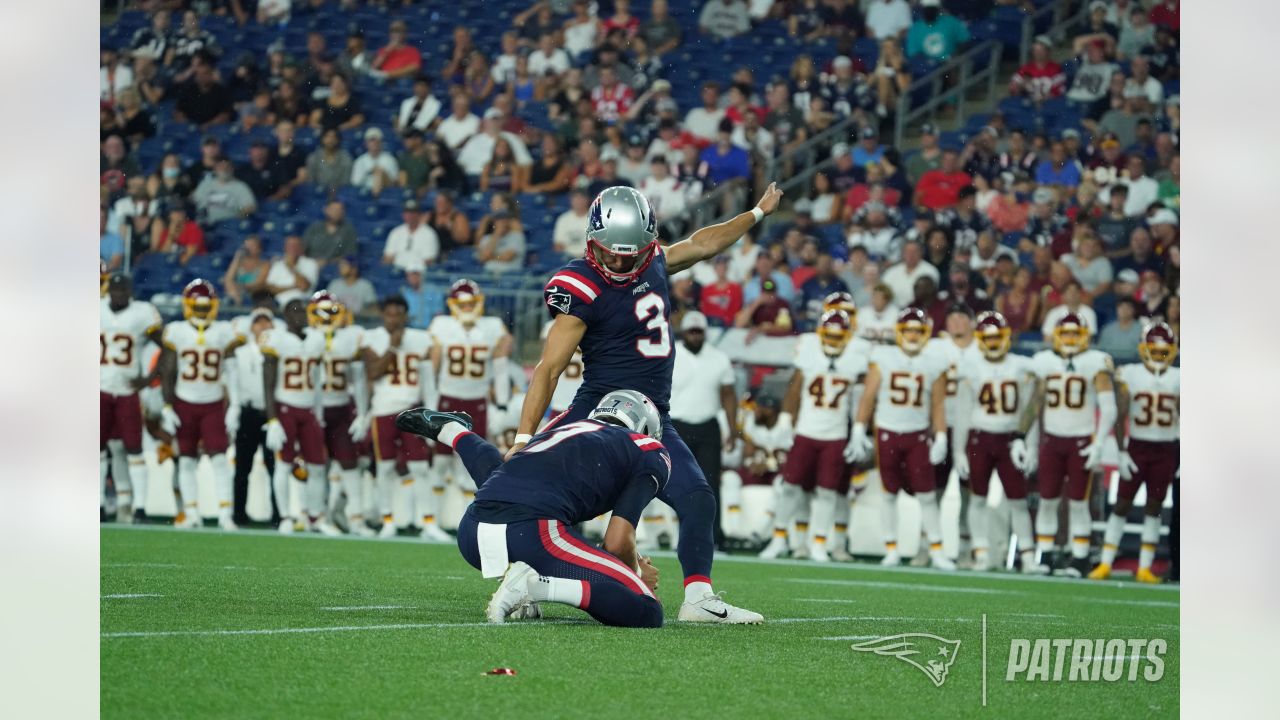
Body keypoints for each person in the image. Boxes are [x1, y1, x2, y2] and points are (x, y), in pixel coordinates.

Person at [507, 184, 783, 624]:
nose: (620, 262)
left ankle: (698, 598)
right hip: (598, 410)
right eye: (611, 253)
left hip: (653, 415)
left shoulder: (653, 259)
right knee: (545, 494)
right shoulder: (581, 287)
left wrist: (756, 213)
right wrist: (525, 436)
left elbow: (704, 243)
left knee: (697, 498)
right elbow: (548, 369)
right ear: (592, 241)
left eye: (630, 253)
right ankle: (525, 579)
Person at [398, 391, 666, 627]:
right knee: (647, 609)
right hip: (534, 534)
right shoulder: (650, 450)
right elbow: (617, 542)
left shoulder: (558, 432)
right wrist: (638, 574)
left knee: (507, 476)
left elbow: (503, 468)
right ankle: (535, 586)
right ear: (644, 428)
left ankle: (455, 432)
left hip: (471, 532)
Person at [846, 307, 953, 569]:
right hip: (888, 432)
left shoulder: (934, 362)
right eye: (908, 331)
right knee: (889, 493)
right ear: (899, 332)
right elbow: (868, 397)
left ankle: (936, 549)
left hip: (917, 434)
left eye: (918, 331)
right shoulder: (884, 356)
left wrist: (941, 436)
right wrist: (859, 428)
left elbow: (938, 405)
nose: (913, 336)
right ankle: (891, 548)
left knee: (927, 494)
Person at [761, 308, 869, 562]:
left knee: (827, 492)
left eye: (837, 336)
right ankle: (778, 539)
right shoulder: (809, 351)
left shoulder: (857, 358)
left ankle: (819, 542)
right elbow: (795, 388)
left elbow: (863, 398)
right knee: (790, 487)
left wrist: (858, 429)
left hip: (836, 434)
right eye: (828, 336)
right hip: (806, 431)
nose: (832, 341)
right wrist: (787, 420)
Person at [1025, 313, 1117, 576]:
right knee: (1047, 500)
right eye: (1065, 334)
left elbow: (1108, 408)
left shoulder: (1094, 362)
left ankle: (1079, 558)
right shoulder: (1044, 362)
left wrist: (1099, 442)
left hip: (1080, 439)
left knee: (1078, 501)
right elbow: (1034, 405)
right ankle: (1045, 554)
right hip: (1051, 440)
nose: (1069, 339)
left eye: (1074, 334)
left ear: (1085, 336)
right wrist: (1030, 444)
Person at [1090, 322, 1178, 583]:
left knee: (1155, 506)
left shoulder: (1179, 377)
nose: (1159, 355)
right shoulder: (1129, 373)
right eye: (1155, 350)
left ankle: (1144, 567)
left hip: (1166, 447)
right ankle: (1106, 563)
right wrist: (1122, 450)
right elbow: (1120, 412)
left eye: (1164, 351)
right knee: (1122, 504)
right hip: (1138, 445)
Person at [424, 280, 514, 534]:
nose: (467, 308)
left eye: (471, 303)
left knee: (473, 463)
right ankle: (431, 521)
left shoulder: (492, 327)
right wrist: (430, 405)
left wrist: (503, 402)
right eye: (462, 303)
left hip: (477, 402)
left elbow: (500, 365)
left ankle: (471, 522)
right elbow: (432, 368)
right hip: (448, 400)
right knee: (440, 462)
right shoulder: (442, 325)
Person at [951, 311, 1038, 572]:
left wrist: (1031, 445)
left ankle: (1028, 557)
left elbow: (1029, 410)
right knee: (978, 498)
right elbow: (963, 413)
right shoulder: (971, 367)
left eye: (996, 338)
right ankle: (982, 554)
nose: (992, 343)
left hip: (1011, 439)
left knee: (1018, 500)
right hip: (980, 437)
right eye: (987, 338)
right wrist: (958, 450)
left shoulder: (1021, 366)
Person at [158, 279, 245, 531]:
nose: (202, 312)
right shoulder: (176, 331)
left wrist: (235, 405)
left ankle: (225, 514)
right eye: (198, 307)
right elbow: (168, 370)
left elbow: (232, 370)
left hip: (213, 403)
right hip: (185, 401)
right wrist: (167, 406)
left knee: (219, 459)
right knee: (186, 459)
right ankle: (192, 512)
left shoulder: (223, 331)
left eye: (206, 307)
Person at [359, 295, 442, 537]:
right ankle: (388, 520)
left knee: (420, 468)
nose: (393, 319)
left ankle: (428, 522)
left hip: (412, 411)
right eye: (389, 314)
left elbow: (428, 380)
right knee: (384, 468)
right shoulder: (371, 337)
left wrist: (432, 413)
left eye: (398, 314)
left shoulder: (421, 339)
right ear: (382, 315)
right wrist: (394, 347)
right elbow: (373, 372)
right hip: (382, 410)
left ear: (406, 316)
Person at [260, 299, 333, 534]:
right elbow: (268, 382)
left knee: (318, 466)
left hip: (309, 409)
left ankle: (315, 517)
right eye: (296, 311)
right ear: (285, 315)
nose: (301, 316)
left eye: (303, 311)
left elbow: (318, 381)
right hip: (286, 408)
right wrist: (271, 419)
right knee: (283, 464)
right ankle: (285, 517)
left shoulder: (317, 339)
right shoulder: (276, 338)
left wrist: (319, 413)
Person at [668, 311, 738, 549]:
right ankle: (680, 533)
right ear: (684, 332)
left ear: (705, 333)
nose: (695, 336)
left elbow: (728, 395)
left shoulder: (719, 358)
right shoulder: (671, 353)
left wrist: (733, 428)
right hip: (677, 424)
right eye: (691, 331)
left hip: (708, 425)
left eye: (699, 332)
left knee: (710, 484)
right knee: (678, 482)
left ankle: (713, 535)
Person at [304, 292, 370, 537]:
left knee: (350, 465)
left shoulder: (350, 338)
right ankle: (314, 515)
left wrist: (362, 414)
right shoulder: (306, 337)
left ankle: (355, 519)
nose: (327, 317)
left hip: (341, 408)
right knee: (315, 466)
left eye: (332, 312)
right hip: (312, 410)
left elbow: (359, 380)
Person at [100, 273, 165, 523]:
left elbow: (167, 346)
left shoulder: (142, 313)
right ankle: (98, 505)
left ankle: (139, 507)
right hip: (100, 388)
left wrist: (148, 379)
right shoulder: (96, 309)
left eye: (122, 290)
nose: (118, 294)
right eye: (115, 290)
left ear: (130, 291)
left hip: (127, 391)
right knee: (96, 450)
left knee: (134, 448)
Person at [229, 308, 277, 526]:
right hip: (248, 412)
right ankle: (238, 514)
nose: (263, 326)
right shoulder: (240, 353)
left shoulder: (279, 351)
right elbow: (232, 385)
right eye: (259, 322)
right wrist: (234, 408)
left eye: (267, 322)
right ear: (251, 327)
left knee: (275, 467)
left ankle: (278, 514)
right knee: (242, 468)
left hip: (272, 414)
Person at [193, 156, 256, 224]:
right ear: (215, 169)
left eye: (227, 167)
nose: (224, 169)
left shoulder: (240, 186)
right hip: (203, 223)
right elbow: (194, 201)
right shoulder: (206, 184)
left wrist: (238, 215)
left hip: (228, 225)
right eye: (220, 167)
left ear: (232, 169)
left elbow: (251, 207)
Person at [382, 199, 439, 271]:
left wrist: (411, 270)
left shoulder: (429, 233)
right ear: (403, 215)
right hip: (397, 272)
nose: (410, 215)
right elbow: (387, 257)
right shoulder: (396, 232)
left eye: (413, 212)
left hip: (418, 273)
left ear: (419, 214)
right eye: (407, 212)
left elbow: (429, 260)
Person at [265, 236, 319, 306]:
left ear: (301, 247)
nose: (293, 248)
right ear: (285, 248)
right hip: (278, 304)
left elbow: (304, 286)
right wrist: (293, 287)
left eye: (295, 245)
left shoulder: (311, 263)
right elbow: (270, 289)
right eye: (290, 245)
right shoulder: (278, 264)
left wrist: (291, 267)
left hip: (301, 304)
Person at [475, 206, 527, 273]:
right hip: (488, 274)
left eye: (505, 219)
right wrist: (496, 234)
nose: (502, 222)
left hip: (511, 275)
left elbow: (507, 257)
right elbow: (483, 258)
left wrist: (491, 257)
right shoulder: (487, 238)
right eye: (499, 219)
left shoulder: (517, 237)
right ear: (494, 222)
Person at [222, 235, 270, 305]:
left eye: (252, 245)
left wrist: (240, 286)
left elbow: (259, 283)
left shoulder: (264, 265)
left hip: (254, 296)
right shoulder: (239, 264)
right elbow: (228, 279)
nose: (248, 248)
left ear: (259, 249)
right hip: (236, 294)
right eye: (247, 245)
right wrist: (236, 258)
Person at [306, 128, 354, 194]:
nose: (331, 140)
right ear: (322, 139)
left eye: (334, 137)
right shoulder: (314, 157)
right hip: (318, 193)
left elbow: (346, 182)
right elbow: (311, 181)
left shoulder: (346, 158)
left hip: (340, 194)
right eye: (327, 136)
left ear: (338, 140)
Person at [1096, 296, 1143, 362]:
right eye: (1121, 307)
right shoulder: (1108, 329)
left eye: (1128, 307)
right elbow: (1101, 351)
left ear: (1134, 310)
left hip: (1134, 364)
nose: (1124, 310)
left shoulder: (1142, 329)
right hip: (1110, 363)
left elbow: (1143, 354)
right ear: (1116, 309)